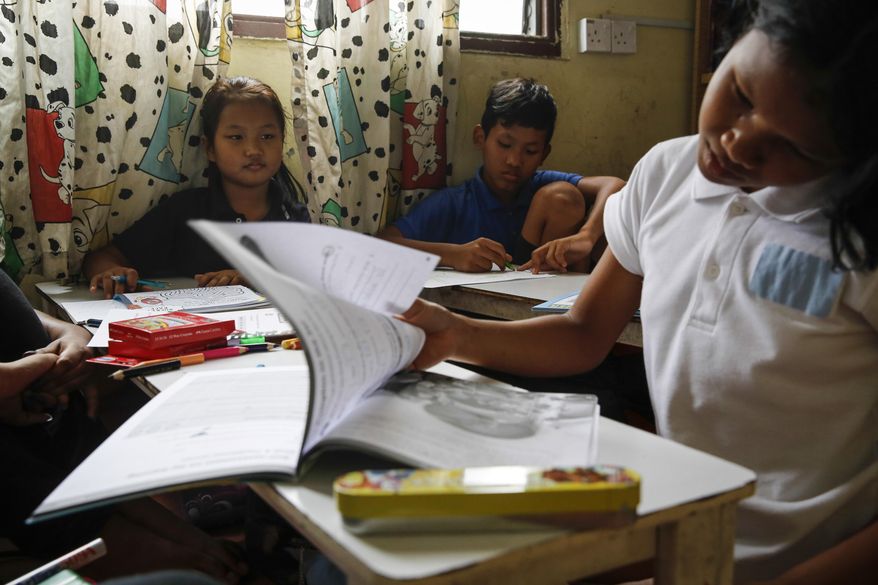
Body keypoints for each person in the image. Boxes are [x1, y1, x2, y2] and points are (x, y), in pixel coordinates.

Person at [400, 1, 878, 583]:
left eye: (793, 147)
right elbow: (582, 336)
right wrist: (457, 333)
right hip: (678, 529)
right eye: (743, 95)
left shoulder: (856, 232)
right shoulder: (666, 174)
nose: (736, 142)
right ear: (736, 45)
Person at [0, 269, 248, 583]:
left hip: (29, 388)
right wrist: (20, 373)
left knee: (70, 412)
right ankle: (99, 539)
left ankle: (133, 516)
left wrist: (68, 335)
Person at [83, 76, 311, 298]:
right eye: (236, 137)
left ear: (282, 143)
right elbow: (105, 257)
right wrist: (110, 272)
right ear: (209, 148)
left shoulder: (293, 216)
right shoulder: (186, 211)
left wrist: (251, 279)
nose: (253, 149)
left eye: (267, 136)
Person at [377, 78, 625, 272]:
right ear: (480, 138)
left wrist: (586, 236)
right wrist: (453, 255)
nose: (514, 161)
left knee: (564, 197)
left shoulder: (541, 185)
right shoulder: (455, 203)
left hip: (548, 300)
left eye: (530, 151)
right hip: (485, 315)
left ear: (544, 154)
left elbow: (616, 186)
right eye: (505, 145)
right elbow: (384, 245)